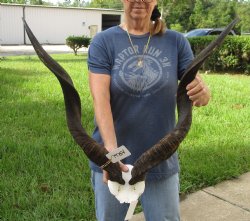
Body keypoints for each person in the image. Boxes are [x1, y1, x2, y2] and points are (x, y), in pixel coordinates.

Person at [87, 0, 210, 220]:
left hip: (160, 159)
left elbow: (194, 87)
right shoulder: (103, 42)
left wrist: (203, 93)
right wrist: (112, 156)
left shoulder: (176, 42)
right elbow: (100, 99)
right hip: (114, 160)